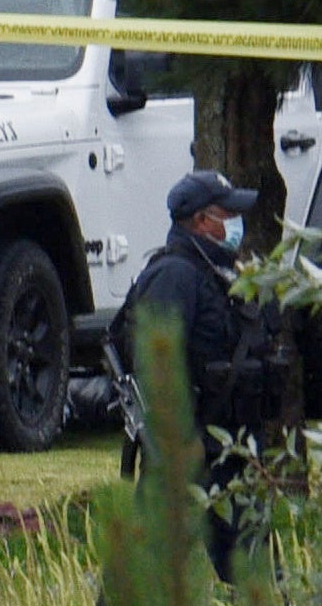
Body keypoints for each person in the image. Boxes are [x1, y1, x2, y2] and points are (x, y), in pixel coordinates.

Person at [112, 168, 280, 581]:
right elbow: (155, 367)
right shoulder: (173, 277)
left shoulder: (221, 273)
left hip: (230, 449)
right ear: (203, 221)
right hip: (190, 450)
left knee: (253, 570)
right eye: (228, 214)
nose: (236, 224)